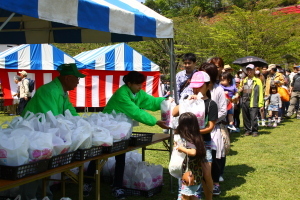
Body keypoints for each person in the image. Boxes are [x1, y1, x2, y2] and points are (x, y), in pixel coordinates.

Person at [84, 71, 169, 199]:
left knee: (120, 157)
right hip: (107, 128)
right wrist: (155, 121)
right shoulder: (122, 94)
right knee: (98, 155)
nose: (140, 87)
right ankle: (87, 183)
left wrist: (164, 101)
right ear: (129, 83)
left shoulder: (137, 93)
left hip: (121, 130)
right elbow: (135, 112)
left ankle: (117, 186)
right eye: (137, 84)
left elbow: (150, 102)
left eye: (141, 84)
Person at [19, 63, 86, 200]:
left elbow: (70, 112)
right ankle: (30, 196)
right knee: (32, 169)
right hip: (32, 134)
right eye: (77, 78)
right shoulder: (49, 91)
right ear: (67, 78)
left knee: (43, 167)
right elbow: (52, 118)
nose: (78, 82)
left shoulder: (62, 92)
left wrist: (83, 125)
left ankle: (43, 194)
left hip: (43, 136)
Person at [173, 71, 218, 200]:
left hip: (204, 143)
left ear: (208, 85)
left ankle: (208, 198)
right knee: (188, 171)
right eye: (194, 85)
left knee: (206, 174)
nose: (196, 88)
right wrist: (186, 101)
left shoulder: (211, 104)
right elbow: (174, 112)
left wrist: (194, 132)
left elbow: (210, 127)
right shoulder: (189, 100)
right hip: (186, 143)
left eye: (199, 86)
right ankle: (187, 195)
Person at [199, 63, 227, 195]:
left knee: (214, 157)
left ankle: (215, 183)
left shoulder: (218, 90)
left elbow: (223, 110)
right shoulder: (196, 88)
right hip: (198, 129)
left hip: (213, 128)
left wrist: (211, 119)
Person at [175, 112, 206, 200]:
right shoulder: (196, 137)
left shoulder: (189, 139)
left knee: (185, 196)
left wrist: (181, 149)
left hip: (190, 175)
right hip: (196, 174)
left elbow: (193, 152)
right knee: (191, 196)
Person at [239, 64, 264, 137]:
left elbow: (261, 93)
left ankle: (254, 131)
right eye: (248, 70)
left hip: (253, 101)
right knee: (245, 117)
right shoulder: (244, 80)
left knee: (253, 117)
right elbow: (239, 90)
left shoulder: (258, 81)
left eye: (251, 70)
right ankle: (247, 130)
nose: (249, 71)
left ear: (254, 71)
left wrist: (261, 104)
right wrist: (240, 90)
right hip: (244, 101)